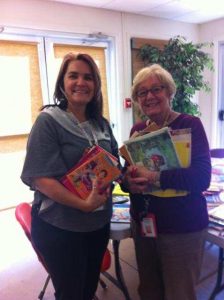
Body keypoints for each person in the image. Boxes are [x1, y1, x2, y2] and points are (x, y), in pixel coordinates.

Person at [21, 52, 120, 300]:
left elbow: (114, 162)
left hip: (97, 225)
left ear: (96, 85)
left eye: (88, 77)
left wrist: (126, 175)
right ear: (62, 82)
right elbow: (40, 178)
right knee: (70, 294)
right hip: (60, 227)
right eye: (73, 75)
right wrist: (83, 205)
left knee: (87, 290)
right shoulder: (48, 121)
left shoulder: (102, 124)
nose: (81, 82)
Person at [122, 64, 211, 300]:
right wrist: (129, 183)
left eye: (156, 89)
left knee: (179, 292)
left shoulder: (190, 125)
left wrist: (153, 177)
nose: (149, 96)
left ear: (169, 92)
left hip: (183, 227)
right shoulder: (137, 130)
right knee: (149, 290)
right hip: (145, 225)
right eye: (142, 92)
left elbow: (202, 178)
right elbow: (125, 177)